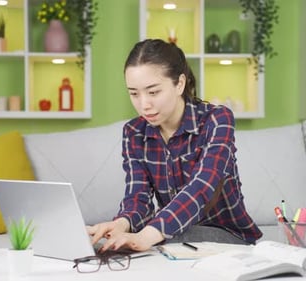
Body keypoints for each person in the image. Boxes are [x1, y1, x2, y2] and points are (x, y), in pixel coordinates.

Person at [87, 38, 262, 252]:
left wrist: (147, 235)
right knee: (119, 248)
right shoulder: (134, 132)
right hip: (174, 234)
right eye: (134, 93)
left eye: (153, 92)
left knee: (149, 245)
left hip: (225, 235)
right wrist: (120, 224)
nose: (144, 105)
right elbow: (137, 196)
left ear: (180, 83)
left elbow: (201, 187)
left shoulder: (217, 119)